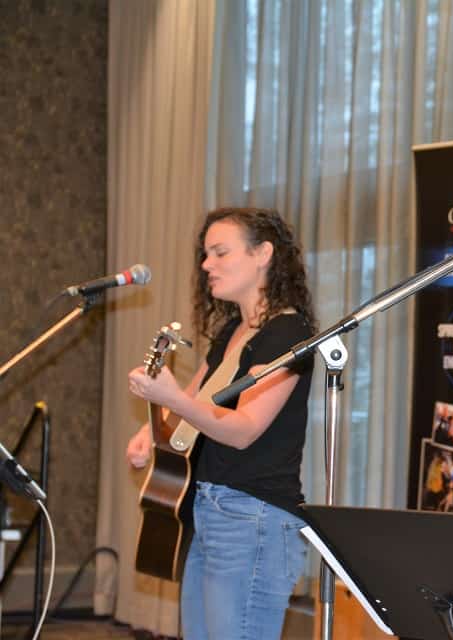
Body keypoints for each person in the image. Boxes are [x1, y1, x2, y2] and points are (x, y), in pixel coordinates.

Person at [126, 207, 316, 639]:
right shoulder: (234, 330)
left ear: (263, 253)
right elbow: (192, 401)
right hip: (210, 509)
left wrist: (172, 399)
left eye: (219, 252)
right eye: (205, 254)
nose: (206, 264)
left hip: (255, 518)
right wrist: (150, 430)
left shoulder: (288, 335)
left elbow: (244, 428)